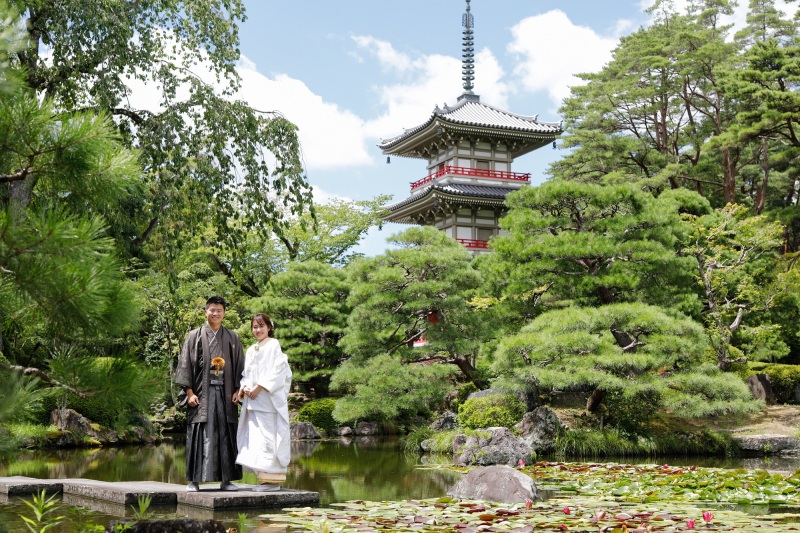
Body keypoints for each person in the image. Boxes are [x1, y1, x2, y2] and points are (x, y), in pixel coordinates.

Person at [175, 296, 244, 492]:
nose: (215, 313)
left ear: (224, 313)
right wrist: (189, 393)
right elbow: (185, 365)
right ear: (205, 312)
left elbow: (240, 366)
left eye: (219, 310)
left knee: (226, 434)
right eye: (212, 310)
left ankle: (226, 480)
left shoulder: (232, 337)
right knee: (199, 433)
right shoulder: (194, 336)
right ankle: (194, 481)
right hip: (201, 393)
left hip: (226, 392)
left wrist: (238, 390)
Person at [236, 313, 293, 491]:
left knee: (268, 440)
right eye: (255, 327)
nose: (258, 330)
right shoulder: (252, 349)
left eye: (261, 326)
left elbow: (277, 371)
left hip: (267, 402)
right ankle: (263, 479)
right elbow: (247, 374)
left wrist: (259, 387)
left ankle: (272, 481)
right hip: (253, 403)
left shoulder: (273, 345)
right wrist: (244, 388)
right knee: (257, 441)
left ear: (269, 327)